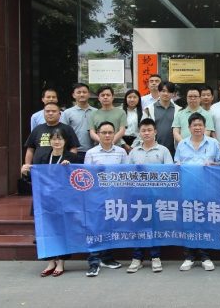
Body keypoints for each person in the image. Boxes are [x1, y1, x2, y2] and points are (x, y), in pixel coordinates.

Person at [21, 127, 77, 278]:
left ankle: (61, 262)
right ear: (49, 141)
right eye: (54, 139)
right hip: (45, 201)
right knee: (46, 230)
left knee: (62, 230)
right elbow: (34, 178)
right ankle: (51, 262)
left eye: (60, 138)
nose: (57, 141)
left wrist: (69, 168)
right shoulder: (43, 157)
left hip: (63, 201)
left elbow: (78, 179)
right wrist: (25, 172)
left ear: (65, 141)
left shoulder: (72, 158)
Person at [174, 113, 220, 271]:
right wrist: (178, 165)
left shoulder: (213, 143)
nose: (197, 128)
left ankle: (205, 256)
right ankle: (189, 256)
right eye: (194, 125)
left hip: (207, 189)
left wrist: (213, 165)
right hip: (187, 188)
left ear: (205, 127)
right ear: (189, 128)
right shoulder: (182, 144)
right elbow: (176, 163)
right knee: (188, 222)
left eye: (200, 125)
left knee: (205, 222)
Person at [126, 118, 174, 274]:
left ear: (155, 132)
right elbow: (126, 174)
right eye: (143, 130)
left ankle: (155, 257)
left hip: (157, 196)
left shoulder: (163, 150)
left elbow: (170, 173)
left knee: (155, 226)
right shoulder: (134, 152)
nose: (146, 133)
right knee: (137, 227)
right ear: (139, 133)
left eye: (149, 130)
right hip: (137, 196)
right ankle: (137, 258)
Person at [83, 121, 127, 277]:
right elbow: (87, 177)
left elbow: (126, 174)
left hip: (115, 197)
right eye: (104, 132)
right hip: (96, 197)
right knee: (96, 228)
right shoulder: (91, 153)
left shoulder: (121, 152)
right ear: (98, 134)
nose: (107, 135)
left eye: (110, 132)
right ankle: (93, 262)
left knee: (110, 228)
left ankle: (107, 258)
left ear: (114, 134)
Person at [60, 83, 96, 163]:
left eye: (84, 92)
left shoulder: (96, 112)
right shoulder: (67, 113)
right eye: (79, 92)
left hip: (94, 151)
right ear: (73, 95)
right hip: (74, 151)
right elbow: (63, 133)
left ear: (89, 94)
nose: (82, 94)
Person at [143, 80, 181, 156]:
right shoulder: (149, 109)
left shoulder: (179, 110)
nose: (166, 94)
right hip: (154, 149)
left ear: (173, 94)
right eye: (163, 91)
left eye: (169, 91)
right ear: (158, 92)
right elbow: (143, 129)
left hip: (174, 150)